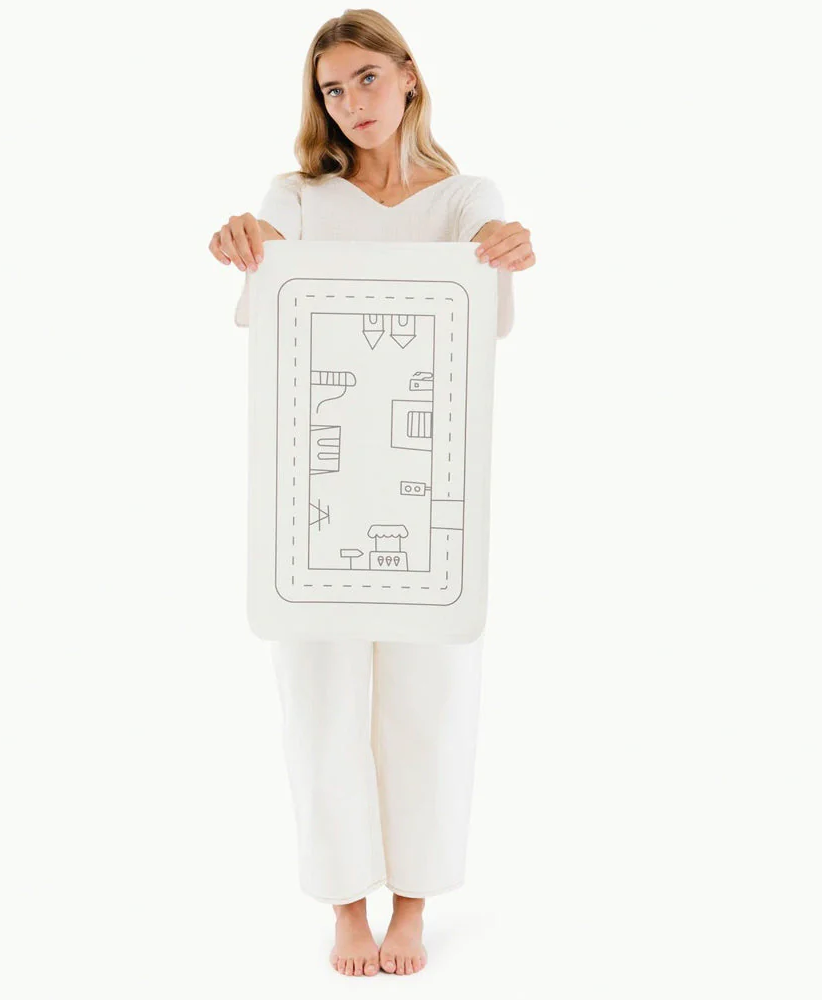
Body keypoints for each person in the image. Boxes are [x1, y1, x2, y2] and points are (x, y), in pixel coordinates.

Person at [208, 8, 535, 978]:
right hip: (314, 487)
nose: (351, 102)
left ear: (407, 75)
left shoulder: (465, 198)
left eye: (366, 78)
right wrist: (246, 241)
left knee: (430, 699)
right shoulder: (298, 197)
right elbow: (269, 275)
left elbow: (486, 300)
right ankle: (346, 903)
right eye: (332, 88)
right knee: (320, 699)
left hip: (428, 484)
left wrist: (506, 246)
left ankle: (414, 904)